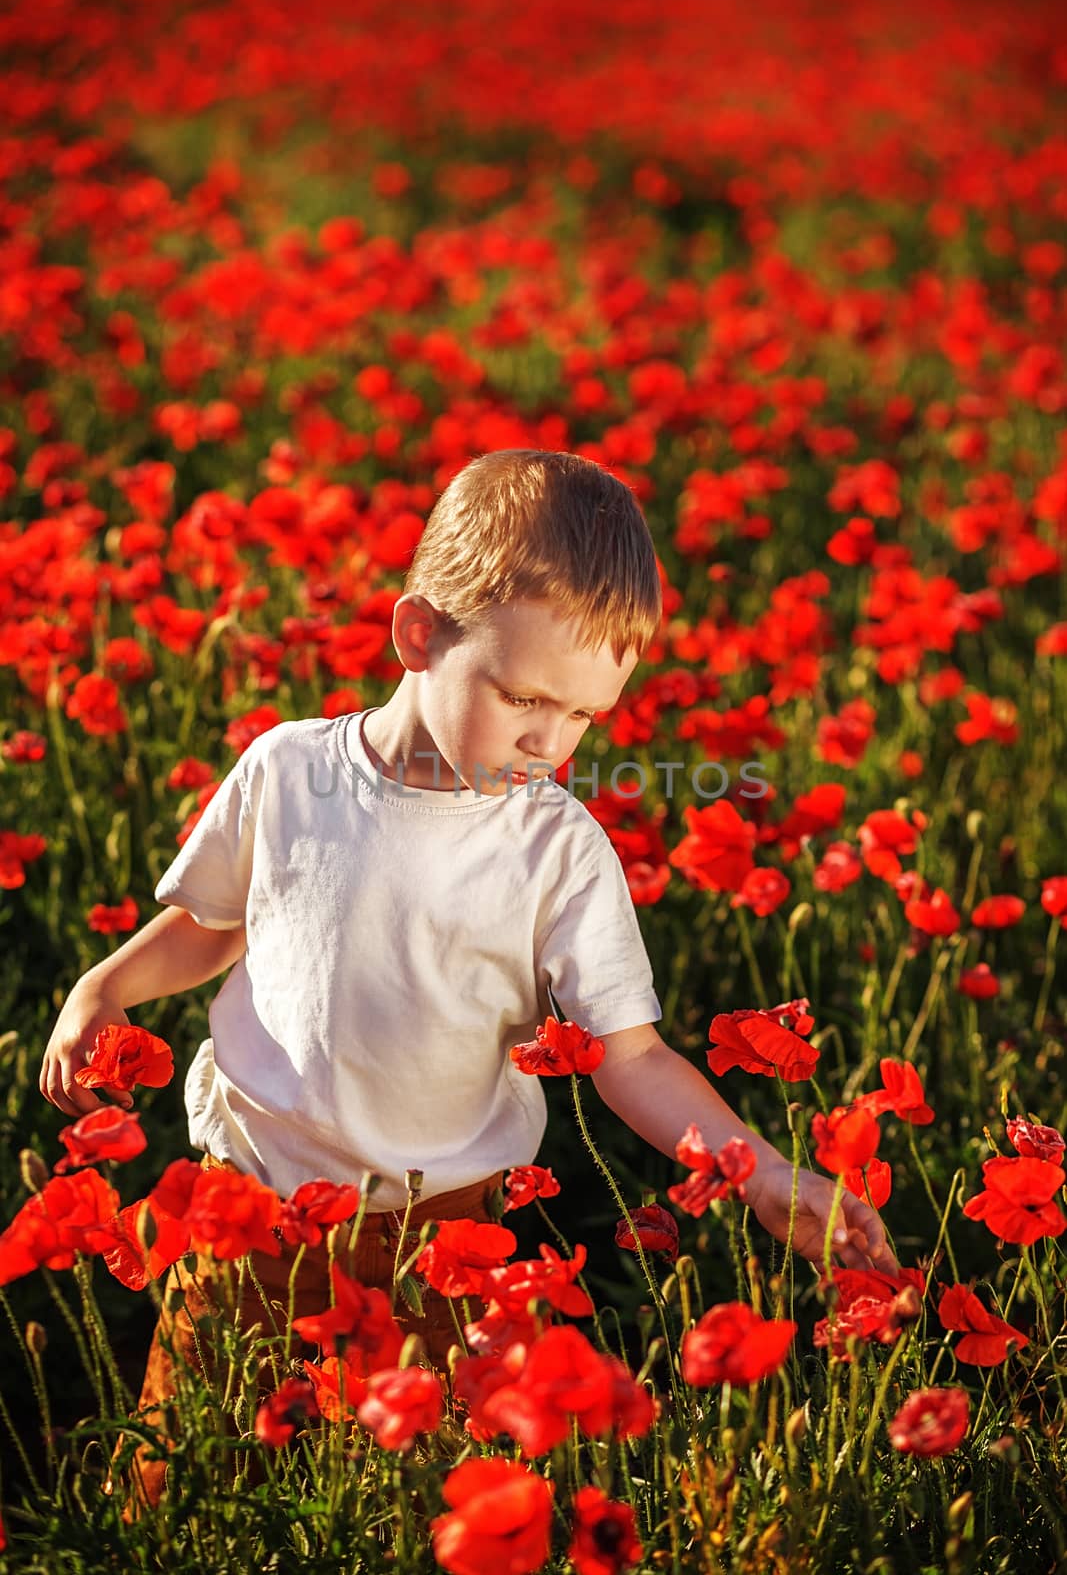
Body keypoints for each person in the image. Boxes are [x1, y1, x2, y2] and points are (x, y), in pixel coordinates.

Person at [40, 449, 890, 1509]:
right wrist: (103, 987)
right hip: (245, 1210)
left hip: (439, 1235)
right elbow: (212, 924)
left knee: (414, 1500)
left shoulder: (557, 850)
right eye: (524, 696)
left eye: (582, 716)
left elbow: (630, 1054)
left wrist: (761, 1167)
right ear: (418, 634)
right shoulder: (288, 769)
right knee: (193, 1467)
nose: (548, 742)